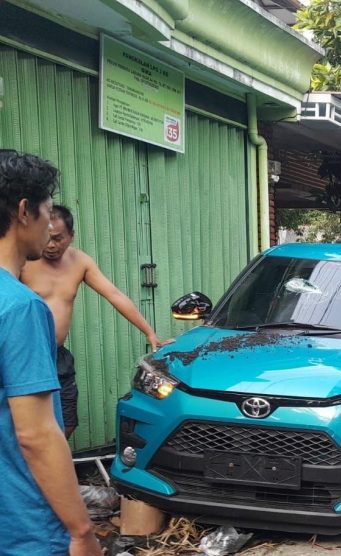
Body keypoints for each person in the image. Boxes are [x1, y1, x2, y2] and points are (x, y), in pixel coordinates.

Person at [0, 150, 101, 556]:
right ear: (24, 211)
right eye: (46, 210)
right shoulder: (19, 306)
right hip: (22, 524)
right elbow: (36, 434)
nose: (50, 224)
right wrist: (81, 531)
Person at [21, 205, 170, 437]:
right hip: (27, 353)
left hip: (58, 354)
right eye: (47, 238)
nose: (51, 245)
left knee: (67, 422)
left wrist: (149, 333)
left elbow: (114, 295)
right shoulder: (24, 260)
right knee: (26, 422)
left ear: (71, 236)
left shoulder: (80, 262)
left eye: (58, 238)